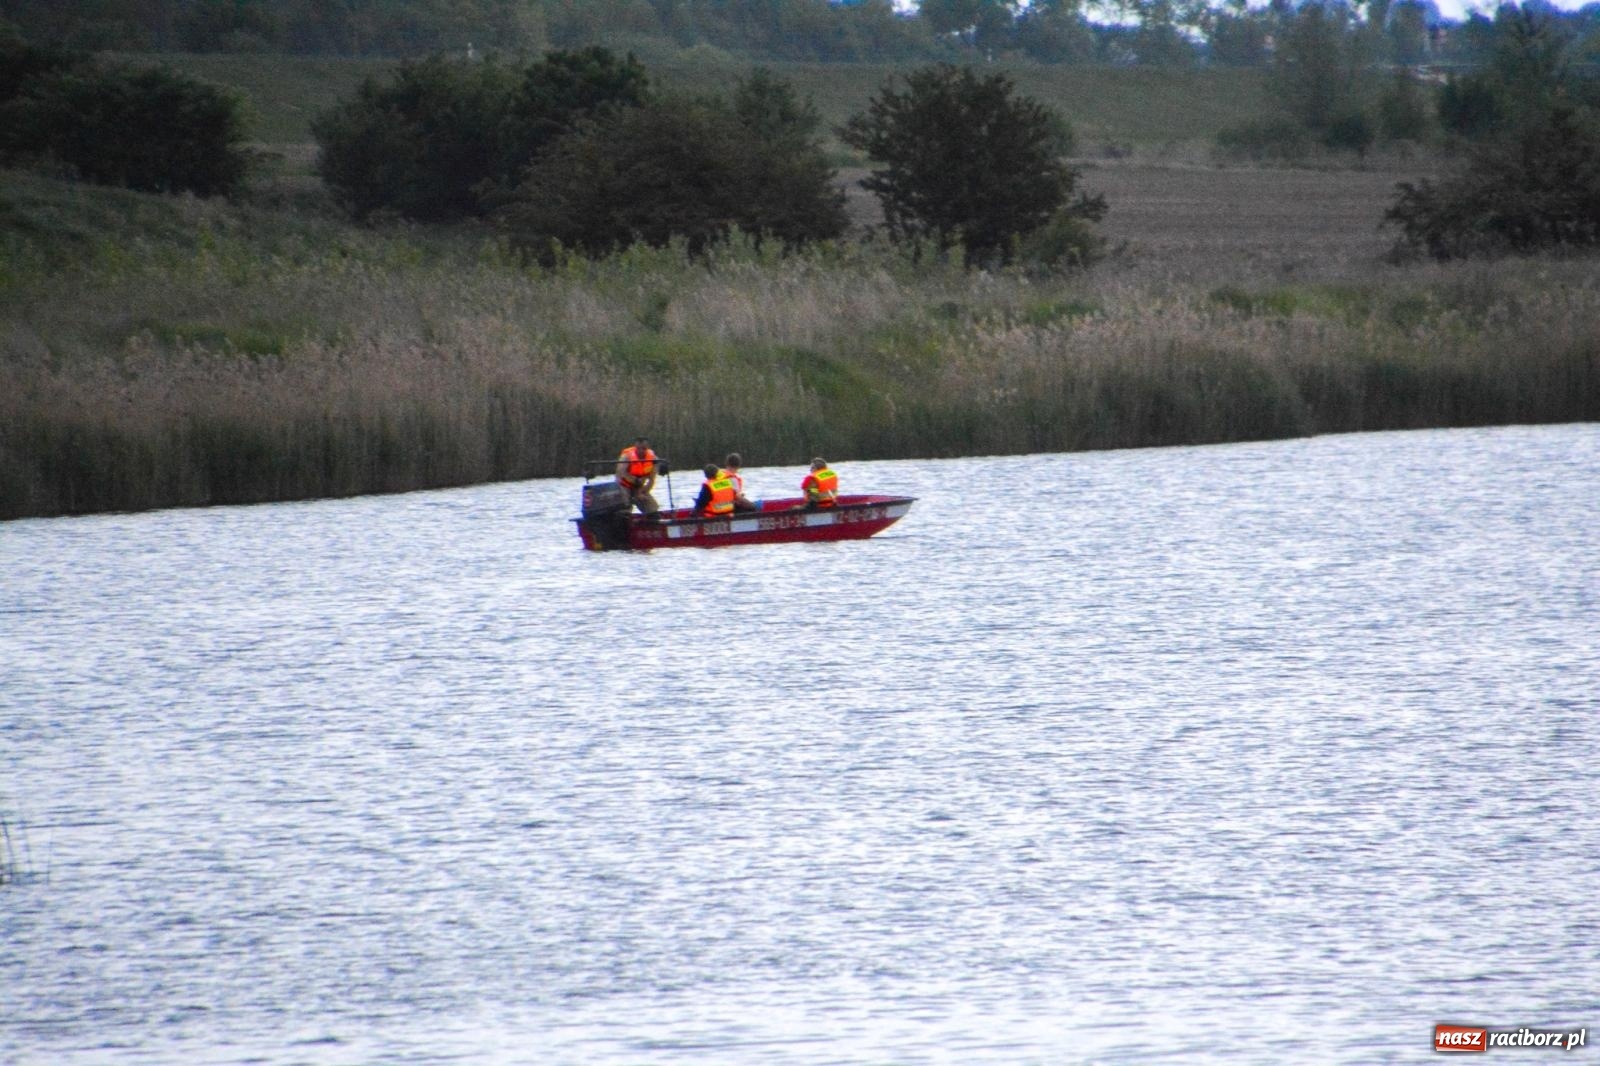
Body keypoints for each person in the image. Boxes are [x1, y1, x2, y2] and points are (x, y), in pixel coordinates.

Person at [614, 436, 659, 516]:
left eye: (644, 448)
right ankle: (625, 513)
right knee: (625, 508)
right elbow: (620, 474)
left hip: (639, 487)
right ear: (635, 447)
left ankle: (651, 519)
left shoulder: (653, 459)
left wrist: (642, 492)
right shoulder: (626, 457)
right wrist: (635, 480)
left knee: (652, 508)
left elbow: (652, 480)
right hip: (624, 486)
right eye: (638, 448)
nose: (641, 451)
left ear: (647, 448)